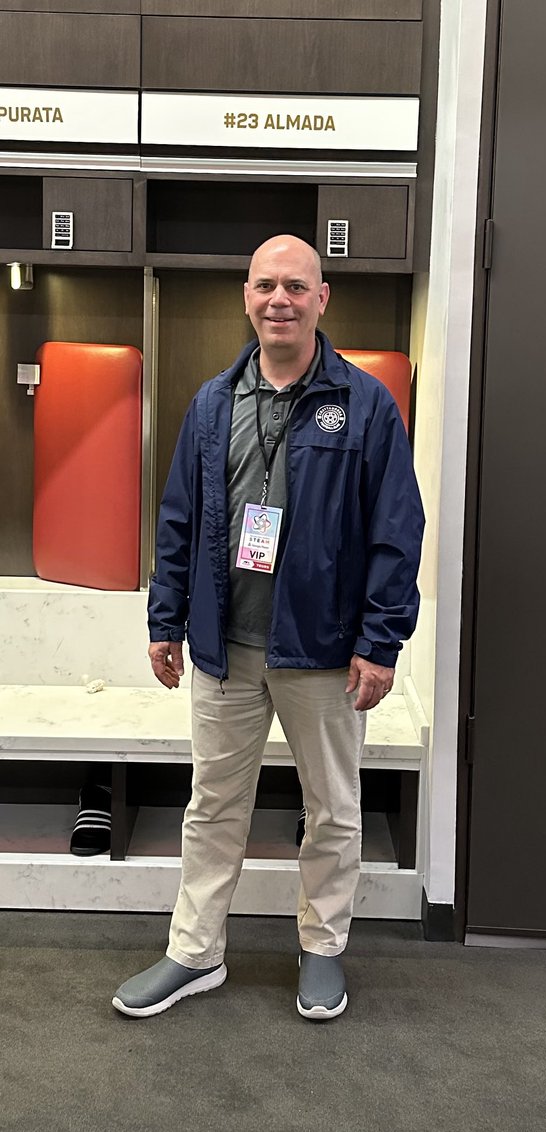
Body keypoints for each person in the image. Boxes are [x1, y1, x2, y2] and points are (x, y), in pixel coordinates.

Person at [112, 235, 424, 1021]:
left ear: (322, 298)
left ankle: (322, 947)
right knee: (212, 807)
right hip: (225, 648)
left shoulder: (365, 405)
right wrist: (166, 618)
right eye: (264, 286)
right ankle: (195, 952)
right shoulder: (213, 403)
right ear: (246, 298)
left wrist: (380, 641)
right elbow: (179, 519)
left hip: (323, 650)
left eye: (295, 286)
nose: (279, 299)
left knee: (334, 810)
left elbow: (396, 530)